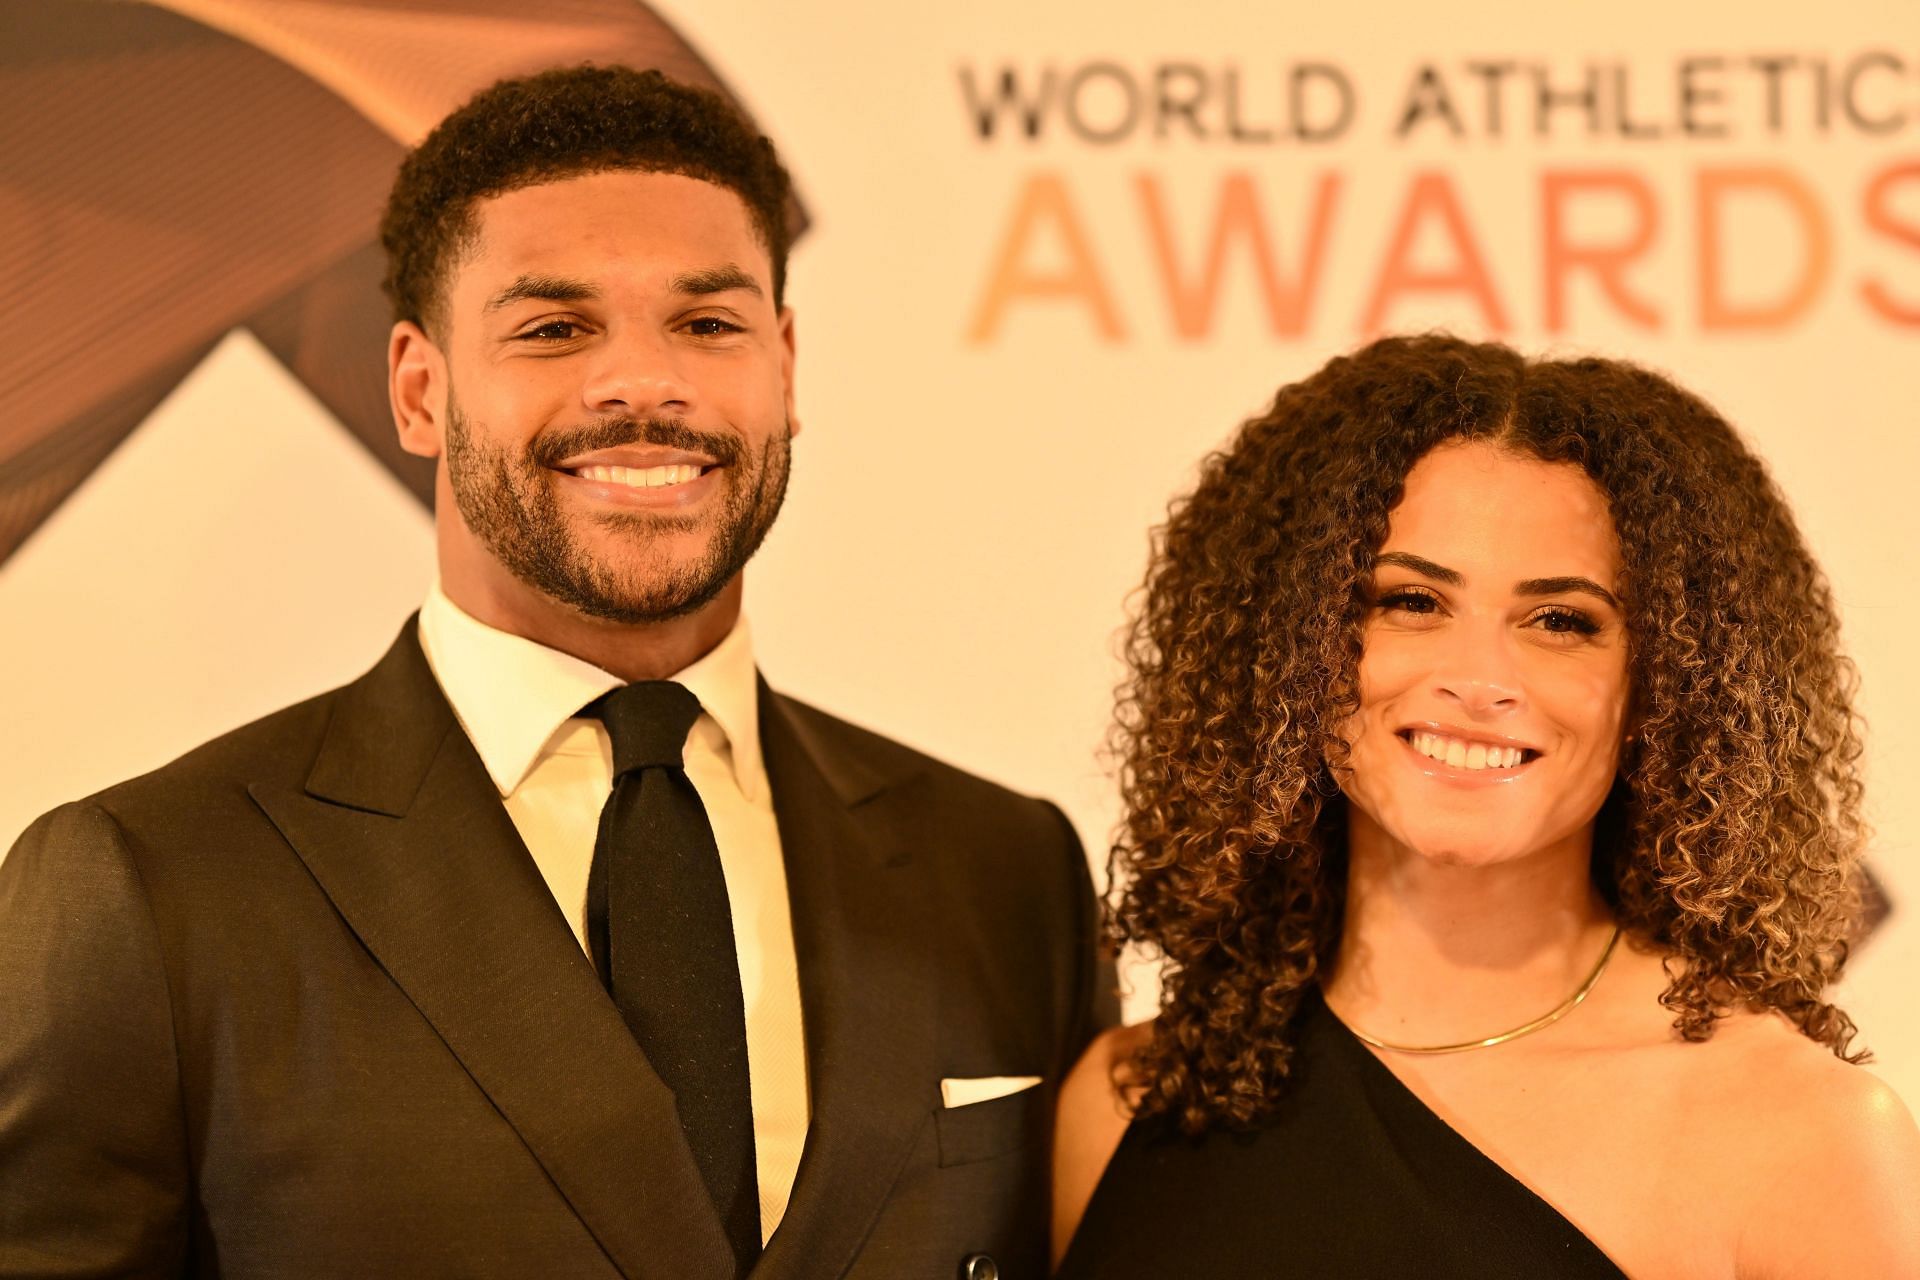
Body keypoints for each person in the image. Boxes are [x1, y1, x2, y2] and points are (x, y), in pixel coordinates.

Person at [0, 66, 1110, 1279]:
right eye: (553, 327)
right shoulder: (151, 883)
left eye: (707, 322)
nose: (642, 381)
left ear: (785, 369)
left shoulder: (1007, 872)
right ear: (419, 390)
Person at [1051, 335, 1920, 1277]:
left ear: (1676, 686)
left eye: (1562, 621)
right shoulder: (1129, 1101)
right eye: (1412, 601)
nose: (1479, 681)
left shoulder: (1799, 1141)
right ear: (1284, 641)